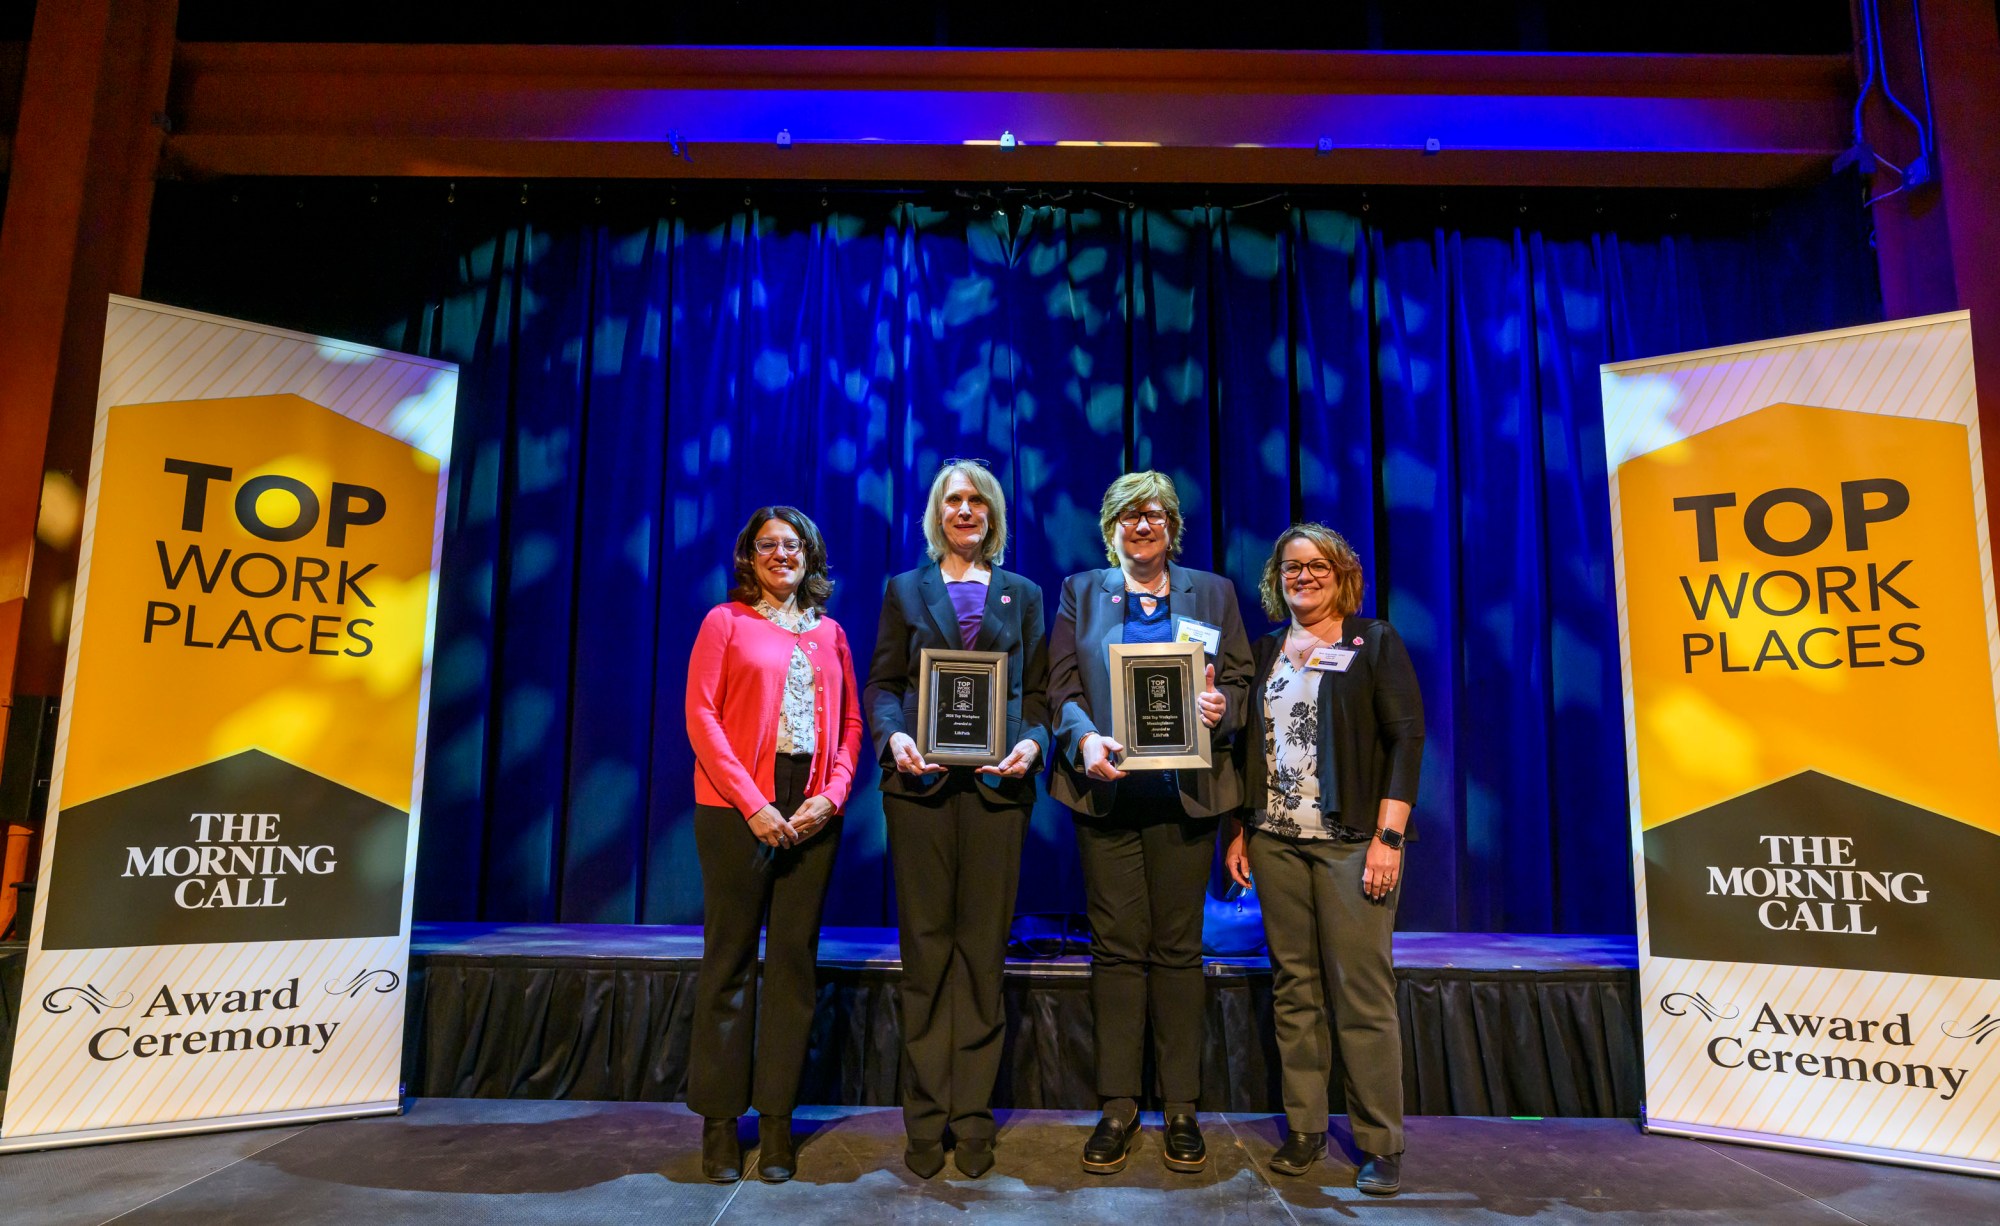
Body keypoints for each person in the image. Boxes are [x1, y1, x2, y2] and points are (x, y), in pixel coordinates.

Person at [1047, 470, 1253, 1175]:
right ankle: (1117, 1106)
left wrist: (1224, 706)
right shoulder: (1082, 592)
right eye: (1131, 516)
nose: (1144, 525)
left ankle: (1184, 1108)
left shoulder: (1214, 592)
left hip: (1186, 797)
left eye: (1157, 514)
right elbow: (1061, 690)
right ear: (1111, 528)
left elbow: (1243, 682)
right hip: (1107, 798)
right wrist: (1082, 739)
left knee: (1178, 951)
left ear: (1173, 527)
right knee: (1116, 951)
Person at [1221, 523, 1423, 1198]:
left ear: (1341, 575)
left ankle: (1380, 1143)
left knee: (1361, 993)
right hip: (1275, 841)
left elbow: (1406, 739)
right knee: (1294, 989)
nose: (1302, 577)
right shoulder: (1267, 648)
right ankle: (1306, 1128)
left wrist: (1388, 838)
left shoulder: (1374, 642)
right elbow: (1250, 746)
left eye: (1316, 567)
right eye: (1290, 568)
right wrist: (1242, 829)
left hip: (1351, 843)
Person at [865, 458, 1050, 1180]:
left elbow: (1037, 694)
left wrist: (1033, 744)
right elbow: (883, 683)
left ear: (994, 516)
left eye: (977, 501)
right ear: (937, 515)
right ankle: (924, 1118)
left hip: (999, 795)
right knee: (926, 958)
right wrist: (895, 737)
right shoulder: (903, 590)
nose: (965, 511)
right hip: (920, 792)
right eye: (953, 500)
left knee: (980, 959)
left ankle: (972, 1118)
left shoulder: (1024, 595)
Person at [684, 506, 865, 1184]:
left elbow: (850, 725)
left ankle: (780, 1124)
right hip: (735, 808)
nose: (781, 555)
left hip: (813, 809)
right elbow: (702, 716)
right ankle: (721, 1125)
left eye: (792, 546)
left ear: (809, 557)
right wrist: (753, 803)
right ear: (749, 556)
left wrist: (834, 794)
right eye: (768, 545)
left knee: (792, 967)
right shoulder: (724, 623)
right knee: (729, 962)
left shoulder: (832, 634)